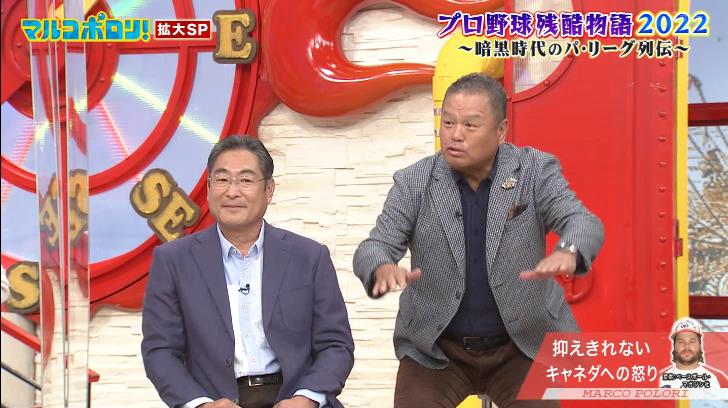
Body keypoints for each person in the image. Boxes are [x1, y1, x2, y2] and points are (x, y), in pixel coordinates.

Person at [353, 73, 604, 407]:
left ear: (500, 131)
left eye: (470, 125)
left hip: (522, 345)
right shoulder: (415, 181)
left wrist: (570, 251)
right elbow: (376, 245)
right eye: (448, 123)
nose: (455, 135)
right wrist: (381, 266)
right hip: (436, 348)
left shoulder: (534, 170)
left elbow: (582, 221)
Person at [142, 135, 354, 408]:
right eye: (222, 179)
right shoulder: (173, 261)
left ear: (269, 190)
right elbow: (160, 351)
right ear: (208, 188)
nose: (232, 191)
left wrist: (307, 398)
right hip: (217, 401)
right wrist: (201, 404)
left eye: (245, 180)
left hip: (293, 398)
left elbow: (336, 345)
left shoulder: (309, 257)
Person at [659, 318, 728, 389]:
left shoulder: (718, 379)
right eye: (681, 342)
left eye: (692, 341)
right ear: (674, 345)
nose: (687, 346)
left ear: (700, 344)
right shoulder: (658, 379)